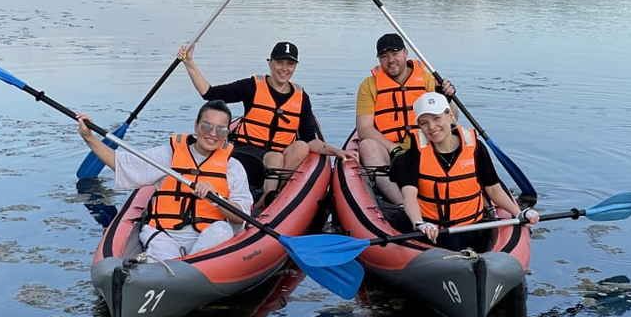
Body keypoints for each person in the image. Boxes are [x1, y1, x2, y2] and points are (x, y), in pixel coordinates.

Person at [76, 100, 253, 262]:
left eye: (221, 129)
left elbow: (241, 215)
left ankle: (190, 270)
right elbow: (121, 163)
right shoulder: (167, 155)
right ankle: (172, 273)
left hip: (207, 238)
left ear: (227, 133)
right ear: (196, 126)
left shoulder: (233, 167)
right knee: (163, 257)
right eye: (207, 126)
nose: (213, 134)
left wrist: (216, 198)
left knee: (223, 229)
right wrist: (89, 137)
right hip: (164, 234)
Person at [178, 40, 352, 203]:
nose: (284, 69)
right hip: (245, 156)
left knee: (301, 146)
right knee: (275, 157)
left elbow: (309, 139)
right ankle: (266, 199)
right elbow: (210, 93)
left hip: (280, 164)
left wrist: (337, 151)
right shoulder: (252, 86)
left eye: (290, 64)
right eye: (279, 63)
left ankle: (270, 196)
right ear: (270, 63)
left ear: (295, 67)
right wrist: (189, 62)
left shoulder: (301, 97)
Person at [389, 91, 540, 251]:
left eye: (437, 118)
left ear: (450, 117)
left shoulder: (476, 148)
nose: (431, 127)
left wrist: (518, 213)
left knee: (458, 243)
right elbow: (409, 194)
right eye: (424, 122)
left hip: (470, 225)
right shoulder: (414, 153)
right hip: (430, 226)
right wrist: (419, 223)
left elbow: (493, 189)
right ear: (419, 126)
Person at [355, 33, 455, 204]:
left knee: (458, 137)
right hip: (390, 151)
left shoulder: (427, 79)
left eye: (395, 53)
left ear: (406, 53)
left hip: (425, 145)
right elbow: (364, 129)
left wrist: (448, 98)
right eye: (384, 56)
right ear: (379, 59)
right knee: (367, 145)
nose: (390, 60)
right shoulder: (369, 85)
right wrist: (393, 148)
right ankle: (402, 203)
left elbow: (452, 120)